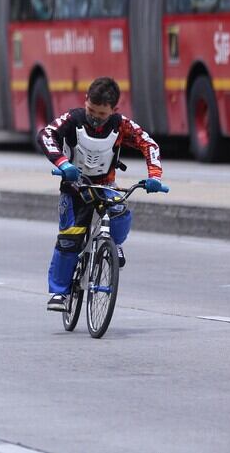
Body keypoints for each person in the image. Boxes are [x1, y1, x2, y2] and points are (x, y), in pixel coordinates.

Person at [37, 77, 165, 312]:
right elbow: (46, 135)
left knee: (121, 213)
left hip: (106, 185)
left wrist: (154, 176)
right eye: (91, 110)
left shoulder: (120, 124)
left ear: (114, 110)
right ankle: (59, 293)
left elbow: (149, 144)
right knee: (69, 239)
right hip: (75, 189)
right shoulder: (71, 119)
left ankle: (113, 245)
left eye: (102, 114)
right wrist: (63, 163)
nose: (95, 117)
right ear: (85, 101)